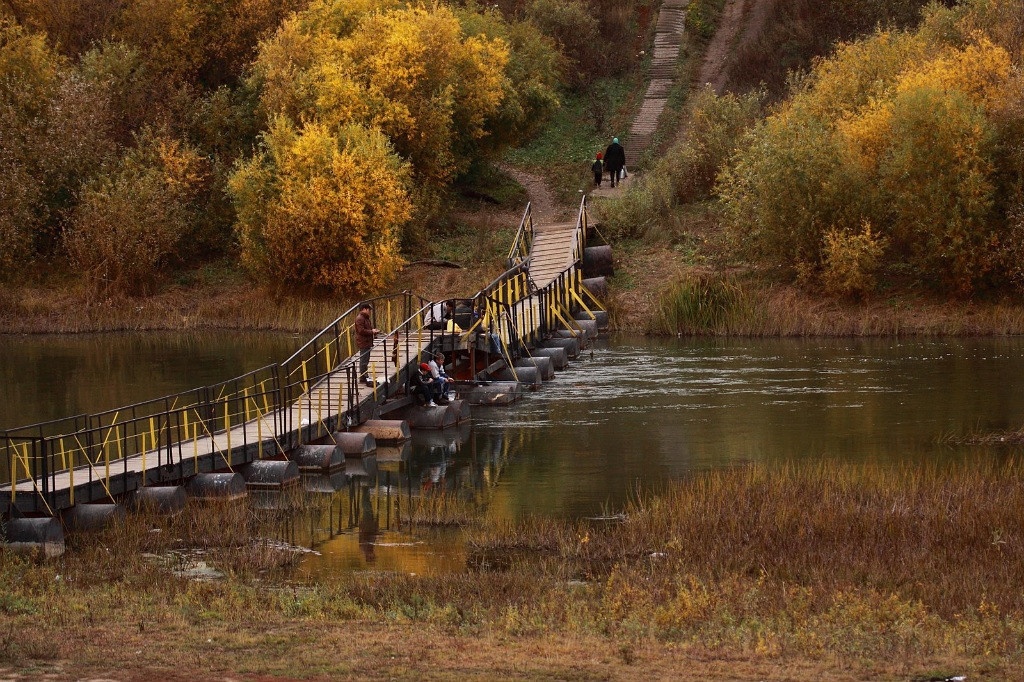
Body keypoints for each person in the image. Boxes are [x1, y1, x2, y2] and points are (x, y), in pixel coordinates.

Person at [355, 303, 379, 386]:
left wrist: (373, 331)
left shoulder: (365, 318)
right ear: (364, 309)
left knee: (366, 359)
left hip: (367, 342)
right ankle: (363, 377)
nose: (370, 312)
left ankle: (365, 375)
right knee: (363, 360)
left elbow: (366, 329)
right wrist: (372, 331)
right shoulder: (360, 318)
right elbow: (361, 331)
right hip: (363, 342)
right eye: (369, 310)